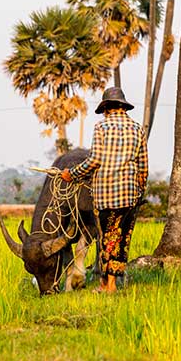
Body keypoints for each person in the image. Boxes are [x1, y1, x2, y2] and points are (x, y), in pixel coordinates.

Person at [61, 87, 148, 293]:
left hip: (105, 194)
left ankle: (106, 285)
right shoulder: (137, 129)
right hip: (129, 195)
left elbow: (95, 160)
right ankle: (111, 284)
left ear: (107, 108)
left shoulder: (102, 127)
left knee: (106, 238)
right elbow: (143, 166)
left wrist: (72, 174)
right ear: (123, 107)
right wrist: (139, 190)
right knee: (121, 238)